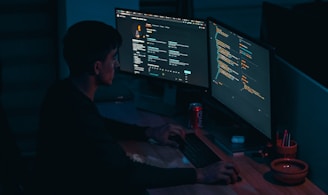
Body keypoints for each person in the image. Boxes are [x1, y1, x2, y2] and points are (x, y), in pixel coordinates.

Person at [34, 20, 240, 195]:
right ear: (97, 67)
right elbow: (126, 173)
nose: (116, 64)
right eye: (113, 57)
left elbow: (99, 125)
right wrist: (201, 174)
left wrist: (148, 132)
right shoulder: (78, 113)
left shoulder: (62, 93)